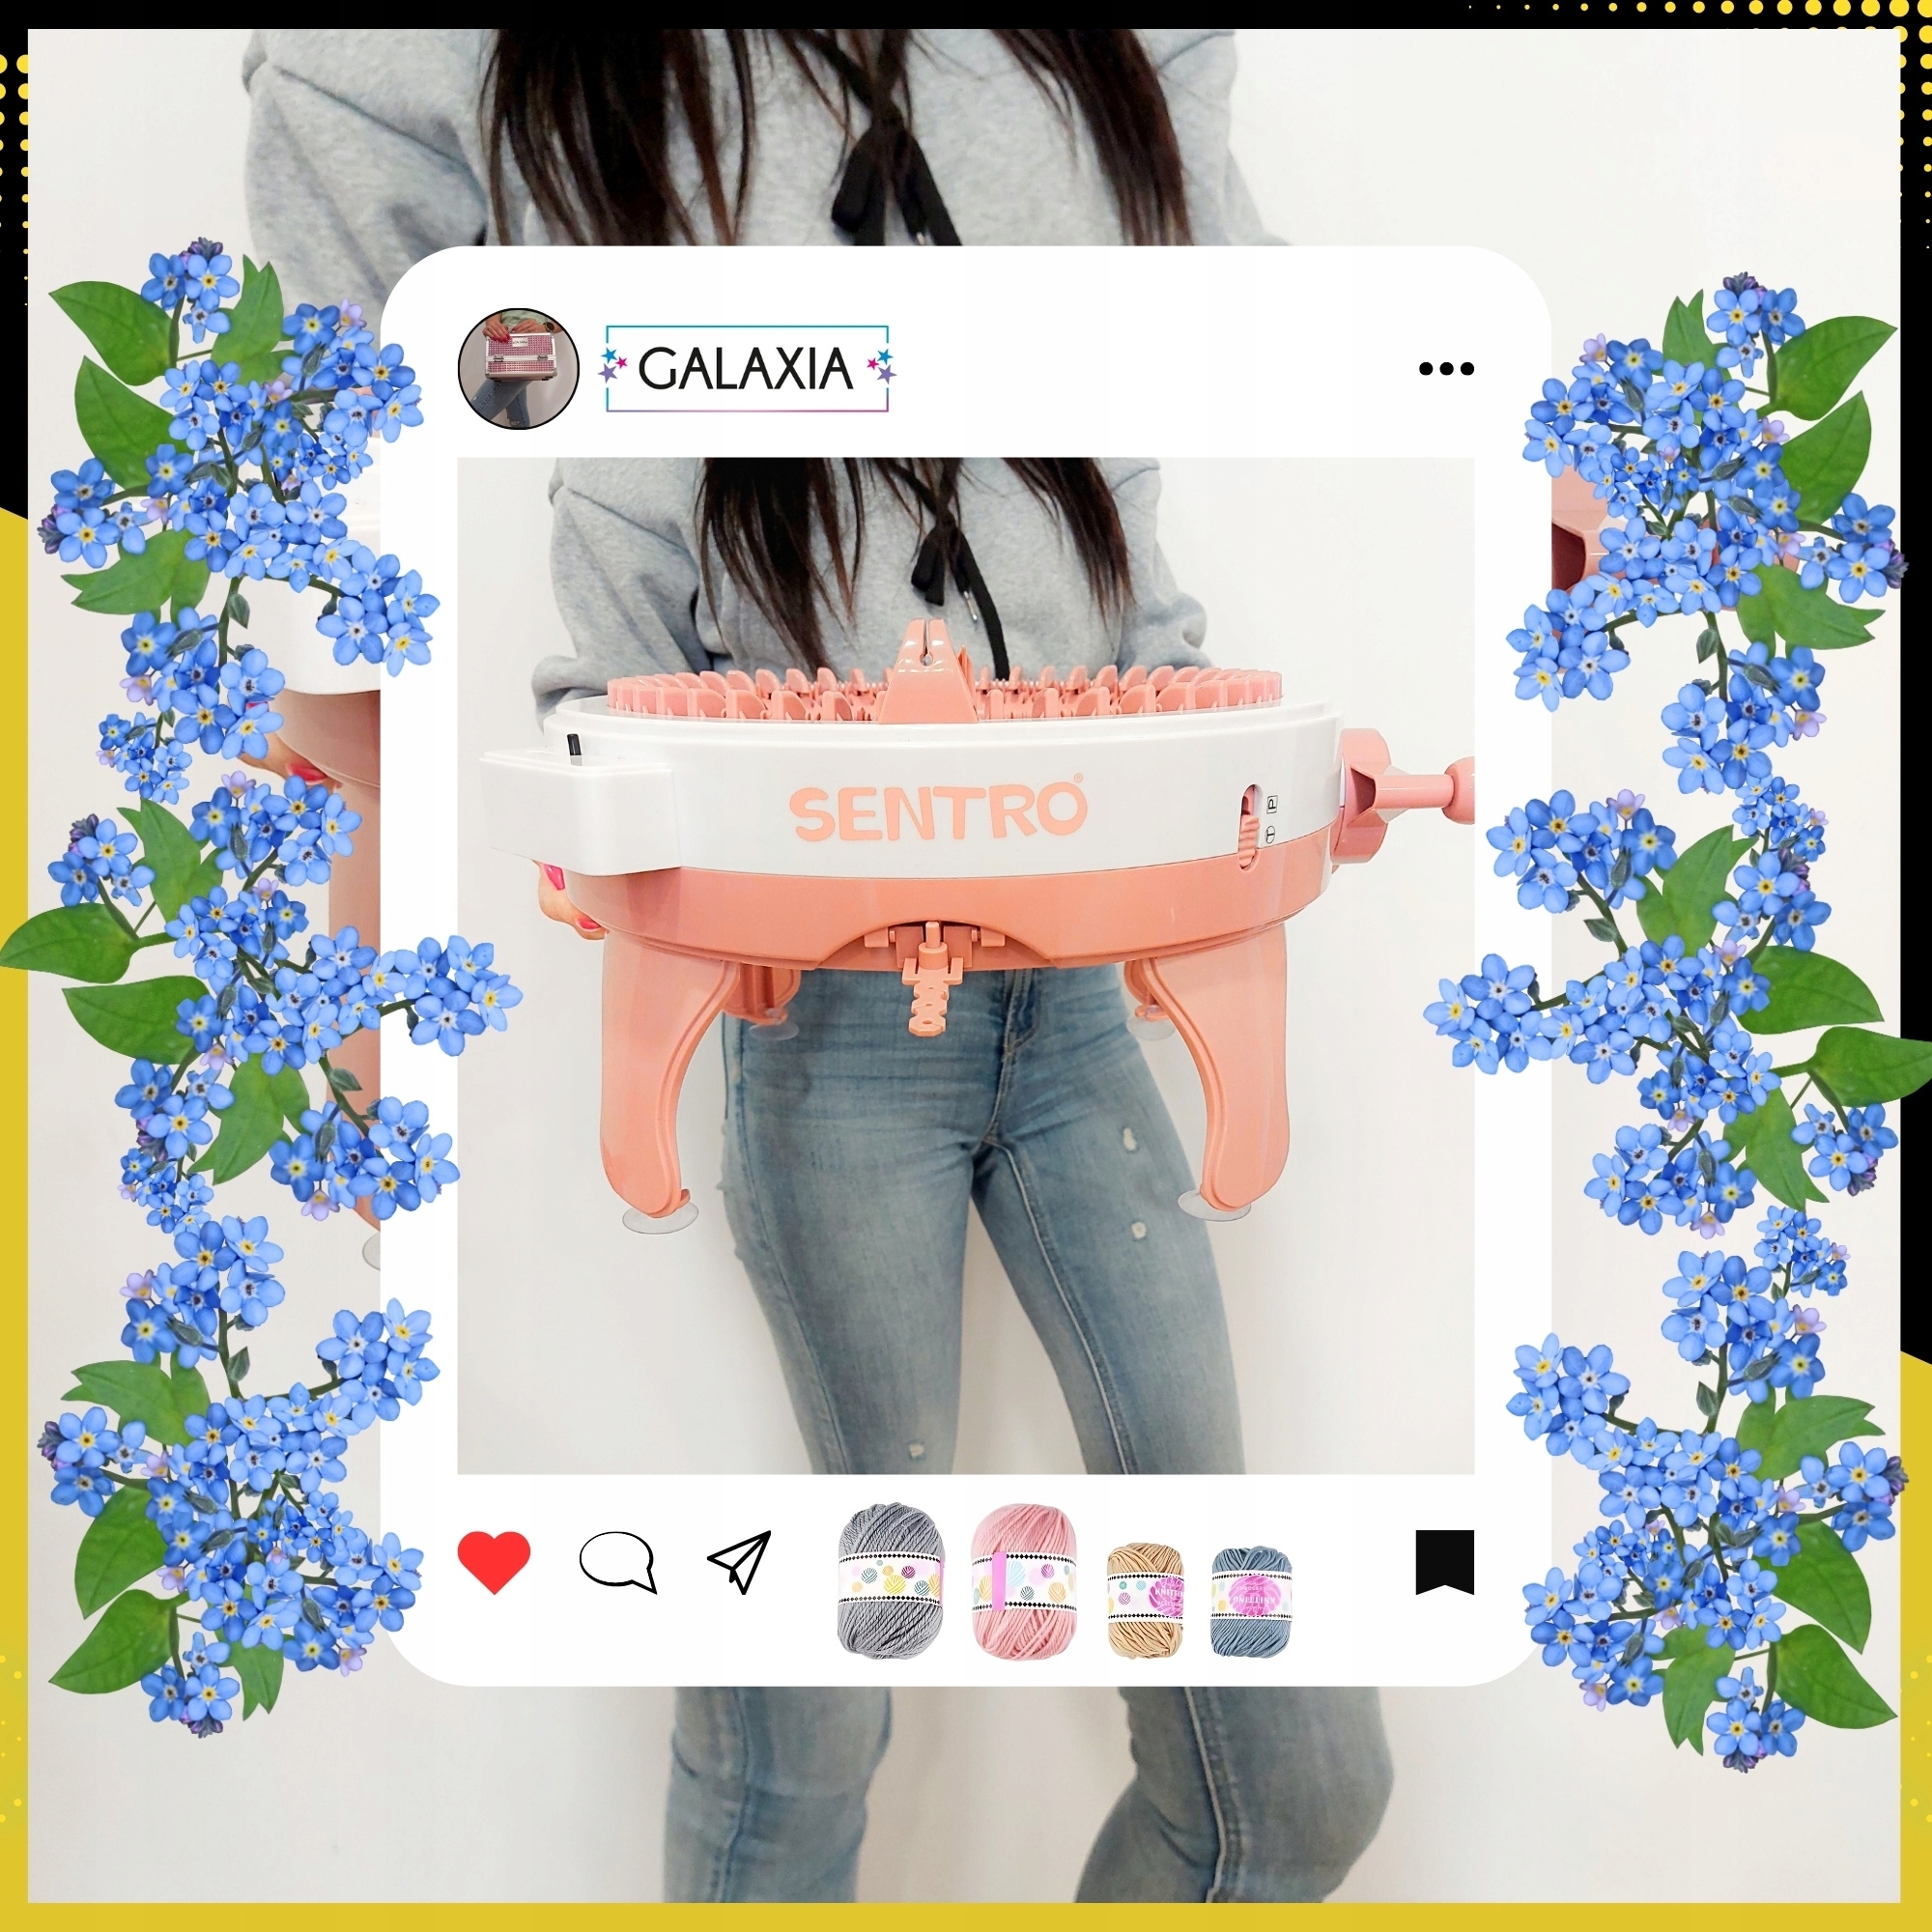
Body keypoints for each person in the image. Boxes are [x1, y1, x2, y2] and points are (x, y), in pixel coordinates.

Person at [242, 32, 1390, 1903]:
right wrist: (366, 999)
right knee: (813, 1701)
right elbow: (327, 545)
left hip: (1083, 1004)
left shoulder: (1087, 123)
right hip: (802, 1021)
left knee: (1294, 1771)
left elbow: (1217, 431)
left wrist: (1279, 766)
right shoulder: (510, 121)